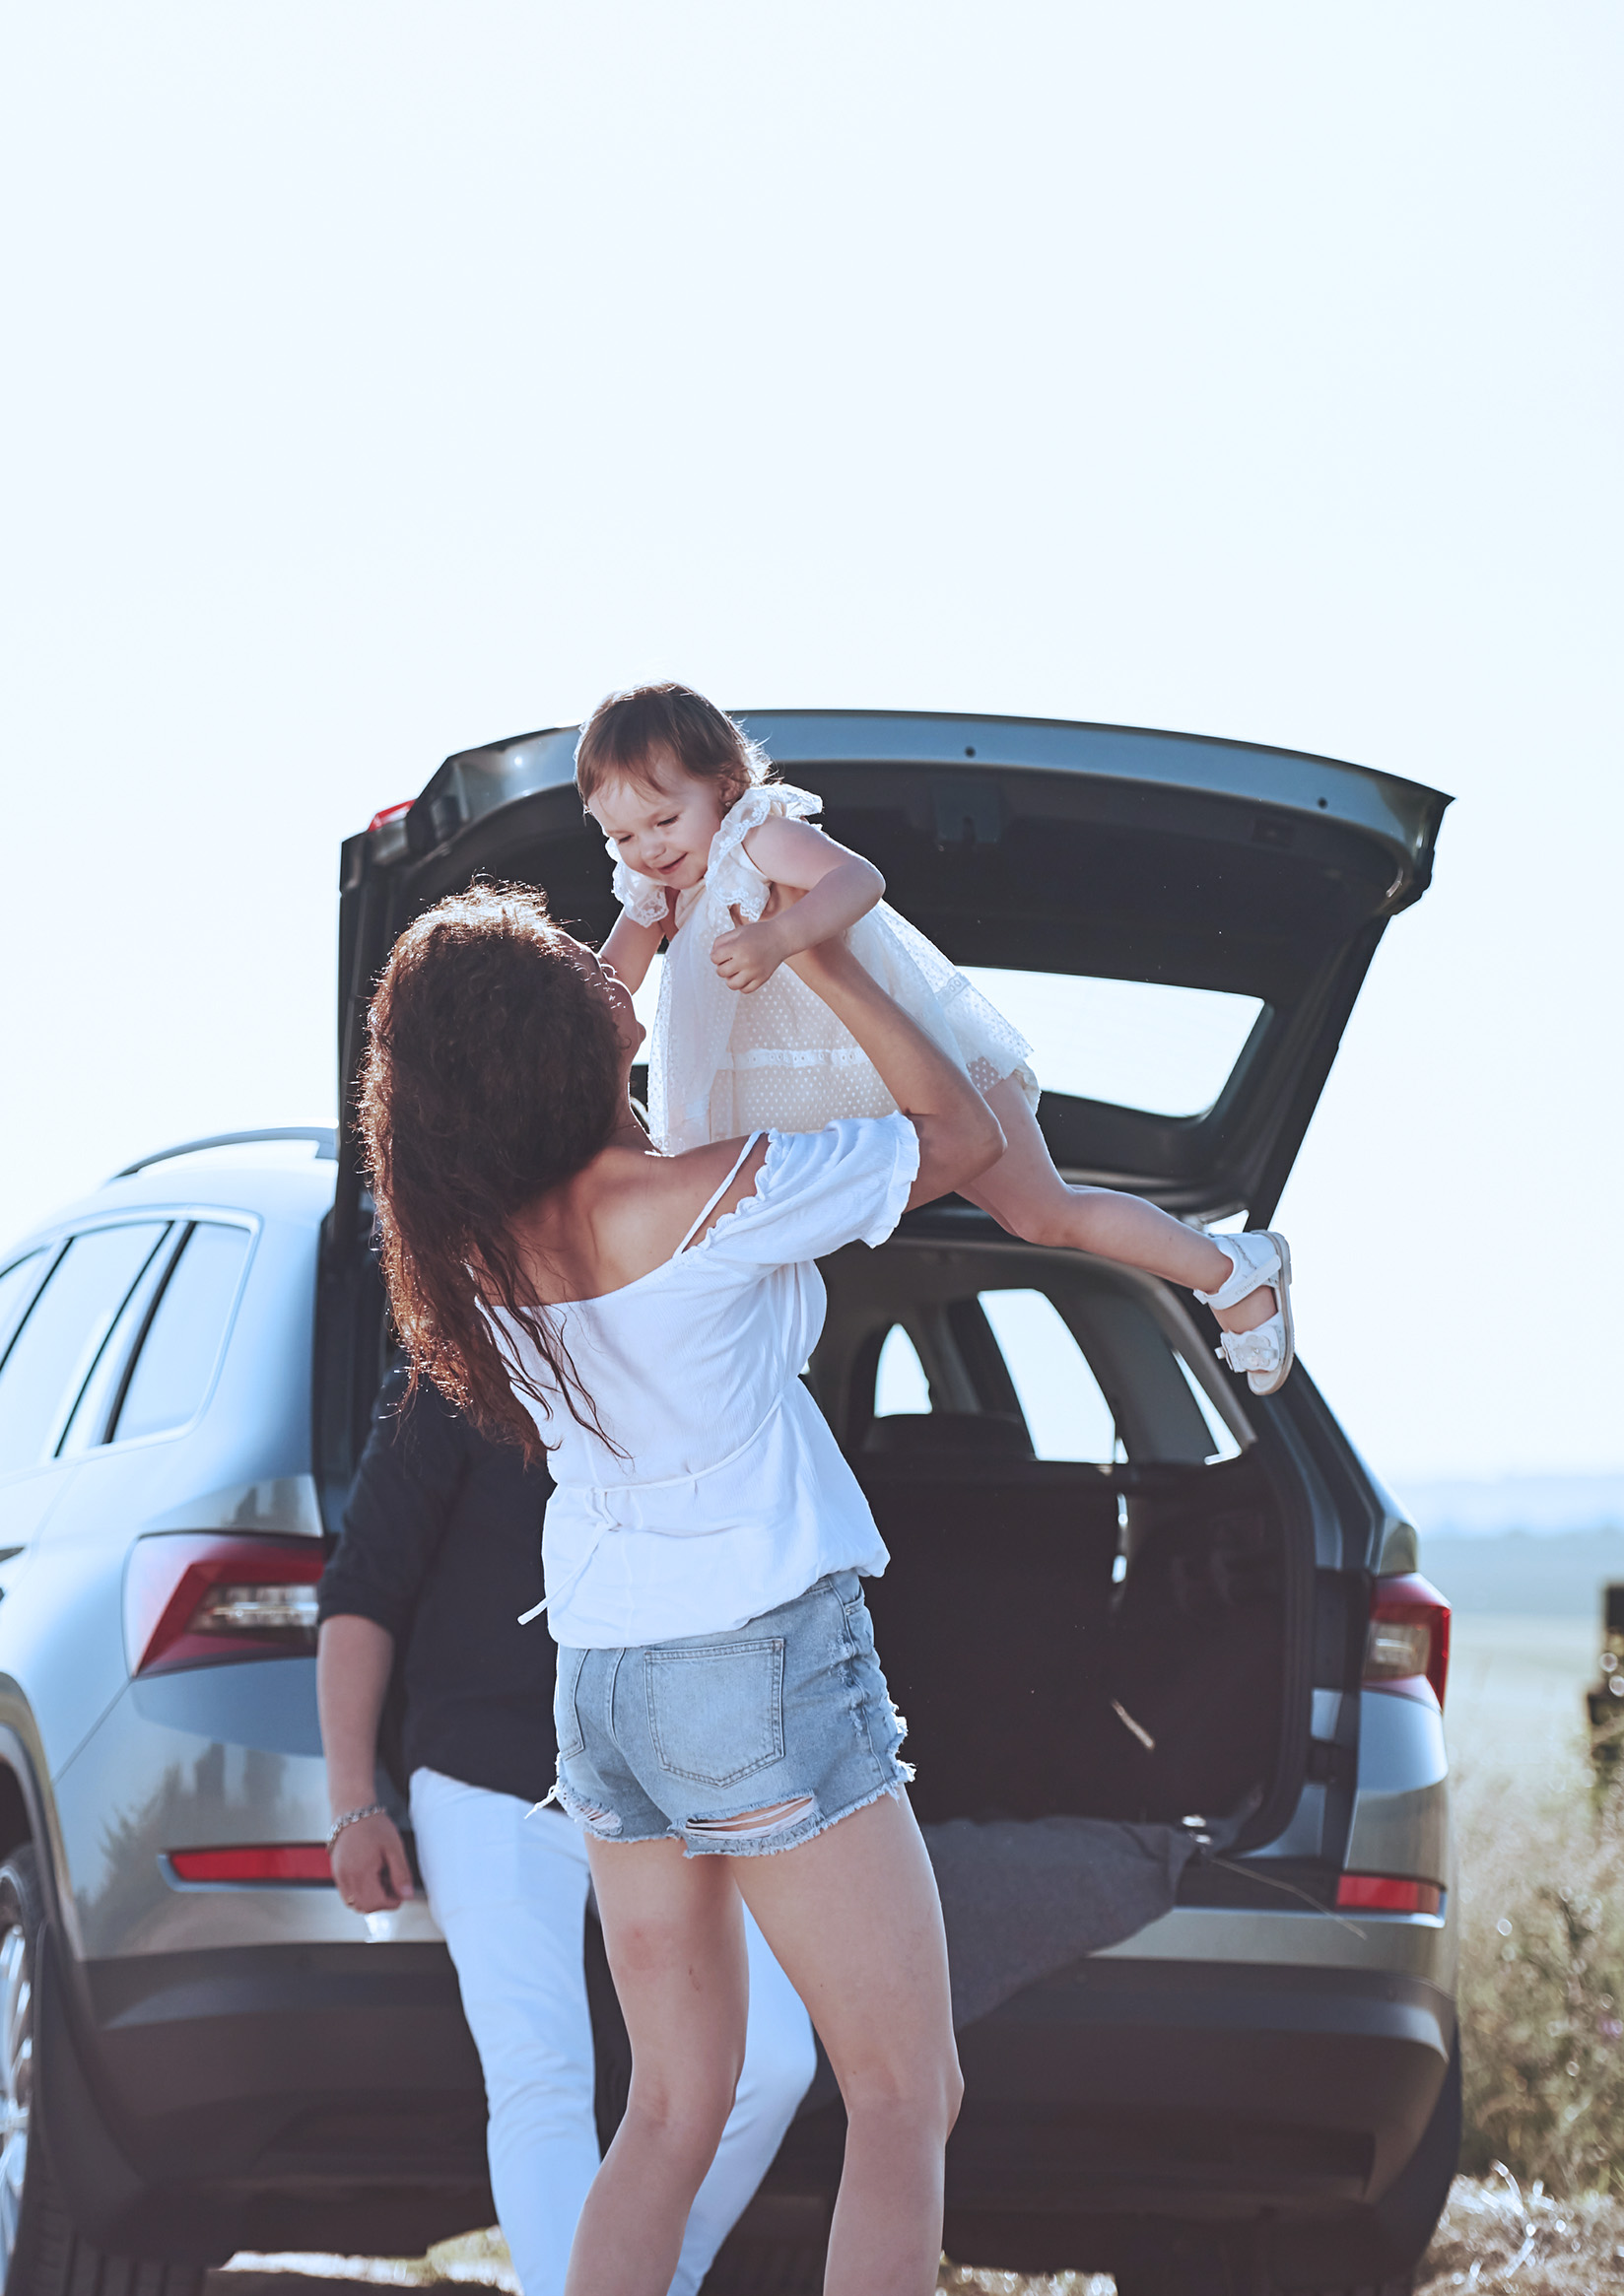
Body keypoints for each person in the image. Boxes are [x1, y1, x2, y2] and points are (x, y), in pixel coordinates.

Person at [355, 881, 1009, 2296]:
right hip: (758, 1660)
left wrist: (635, 931)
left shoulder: (471, 1249)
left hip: (601, 1684)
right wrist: (819, 949)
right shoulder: (708, 1193)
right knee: (906, 2092)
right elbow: (963, 1133)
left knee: (667, 2105)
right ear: (568, 1052)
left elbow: (564, 1038)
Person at [579, 680, 1295, 1396]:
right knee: (762, 1236)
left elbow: (857, 879)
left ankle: (1232, 1269)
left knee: (1041, 1212)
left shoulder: (756, 837)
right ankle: (741, 1386)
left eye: (664, 820)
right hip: (802, 1102)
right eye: (621, 836)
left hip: (914, 1066)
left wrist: (781, 935)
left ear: (725, 787)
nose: (646, 848)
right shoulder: (656, 889)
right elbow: (608, 984)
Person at [315, 1369, 817, 2296]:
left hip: (676, 1784)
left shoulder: (680, 1361)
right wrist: (355, 1802)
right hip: (487, 1776)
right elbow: (362, 1597)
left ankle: (636, 2280)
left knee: (773, 2059)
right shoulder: (444, 1389)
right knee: (540, 2072)